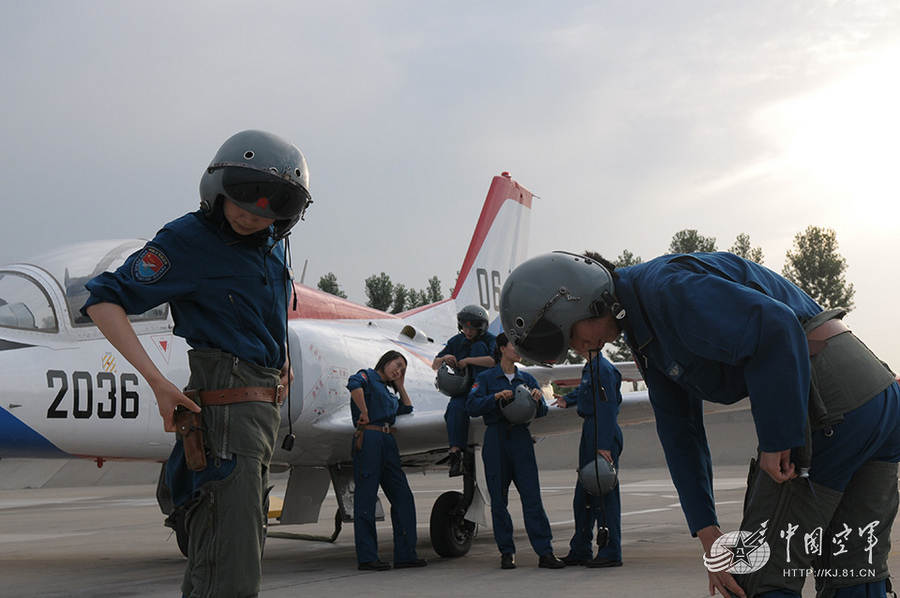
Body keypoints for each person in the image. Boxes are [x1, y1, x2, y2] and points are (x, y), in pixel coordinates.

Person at [500, 251, 900, 597]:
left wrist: (780, 439)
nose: (575, 346)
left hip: (830, 403)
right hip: (876, 401)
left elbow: (776, 325)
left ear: (582, 302)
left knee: (756, 574)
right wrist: (708, 536)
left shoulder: (665, 290)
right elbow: (679, 431)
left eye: (568, 334)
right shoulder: (646, 324)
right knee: (854, 565)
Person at [82, 129, 312, 598]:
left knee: (236, 546)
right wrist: (157, 382)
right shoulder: (189, 239)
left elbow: (265, 310)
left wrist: (280, 361)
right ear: (218, 191)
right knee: (231, 565)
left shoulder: (272, 244)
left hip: (260, 413)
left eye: (270, 209)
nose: (254, 216)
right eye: (244, 203)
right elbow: (104, 300)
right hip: (227, 408)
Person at [466, 332, 566, 570]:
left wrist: (538, 400)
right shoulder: (487, 378)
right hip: (496, 438)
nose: (518, 349)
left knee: (532, 498)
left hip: (521, 439)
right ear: (501, 348)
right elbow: (471, 406)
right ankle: (506, 552)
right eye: (513, 344)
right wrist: (494, 398)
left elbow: (540, 412)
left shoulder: (528, 379)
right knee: (499, 501)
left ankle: (545, 552)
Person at [348, 350, 426, 571]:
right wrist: (363, 411)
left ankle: (405, 554)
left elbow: (407, 407)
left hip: (388, 441)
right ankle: (367, 557)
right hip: (369, 437)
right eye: (397, 364)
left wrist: (400, 385)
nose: (398, 369)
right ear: (385, 360)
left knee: (403, 497)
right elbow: (353, 384)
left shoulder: (389, 392)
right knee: (366, 498)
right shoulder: (367, 377)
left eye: (402, 369)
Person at [555, 352, 623, 568]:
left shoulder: (602, 369)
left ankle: (610, 551)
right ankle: (581, 549)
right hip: (591, 432)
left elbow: (608, 406)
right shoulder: (591, 367)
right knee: (583, 496)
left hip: (601, 432)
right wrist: (568, 399)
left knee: (604, 494)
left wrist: (603, 444)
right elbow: (588, 393)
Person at [432, 304, 497, 476]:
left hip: (486, 387)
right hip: (464, 389)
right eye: (465, 327)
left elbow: (493, 361)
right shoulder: (456, 341)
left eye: (472, 328)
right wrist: (445, 357)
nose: (468, 332)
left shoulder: (490, 341)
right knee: (454, 409)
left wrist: (468, 360)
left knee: (478, 349)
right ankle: (455, 454)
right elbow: (434, 364)